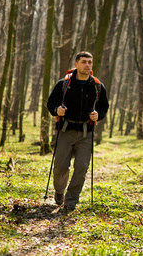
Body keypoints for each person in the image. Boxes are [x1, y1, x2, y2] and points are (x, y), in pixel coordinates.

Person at [47, 51, 109, 212]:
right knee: (61, 167)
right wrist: (56, 110)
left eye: (90, 62)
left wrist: (98, 115)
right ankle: (59, 191)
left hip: (86, 132)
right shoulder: (64, 84)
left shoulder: (97, 86)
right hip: (65, 130)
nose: (87, 65)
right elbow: (50, 103)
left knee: (81, 167)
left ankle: (71, 200)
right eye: (84, 62)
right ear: (76, 64)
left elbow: (104, 106)